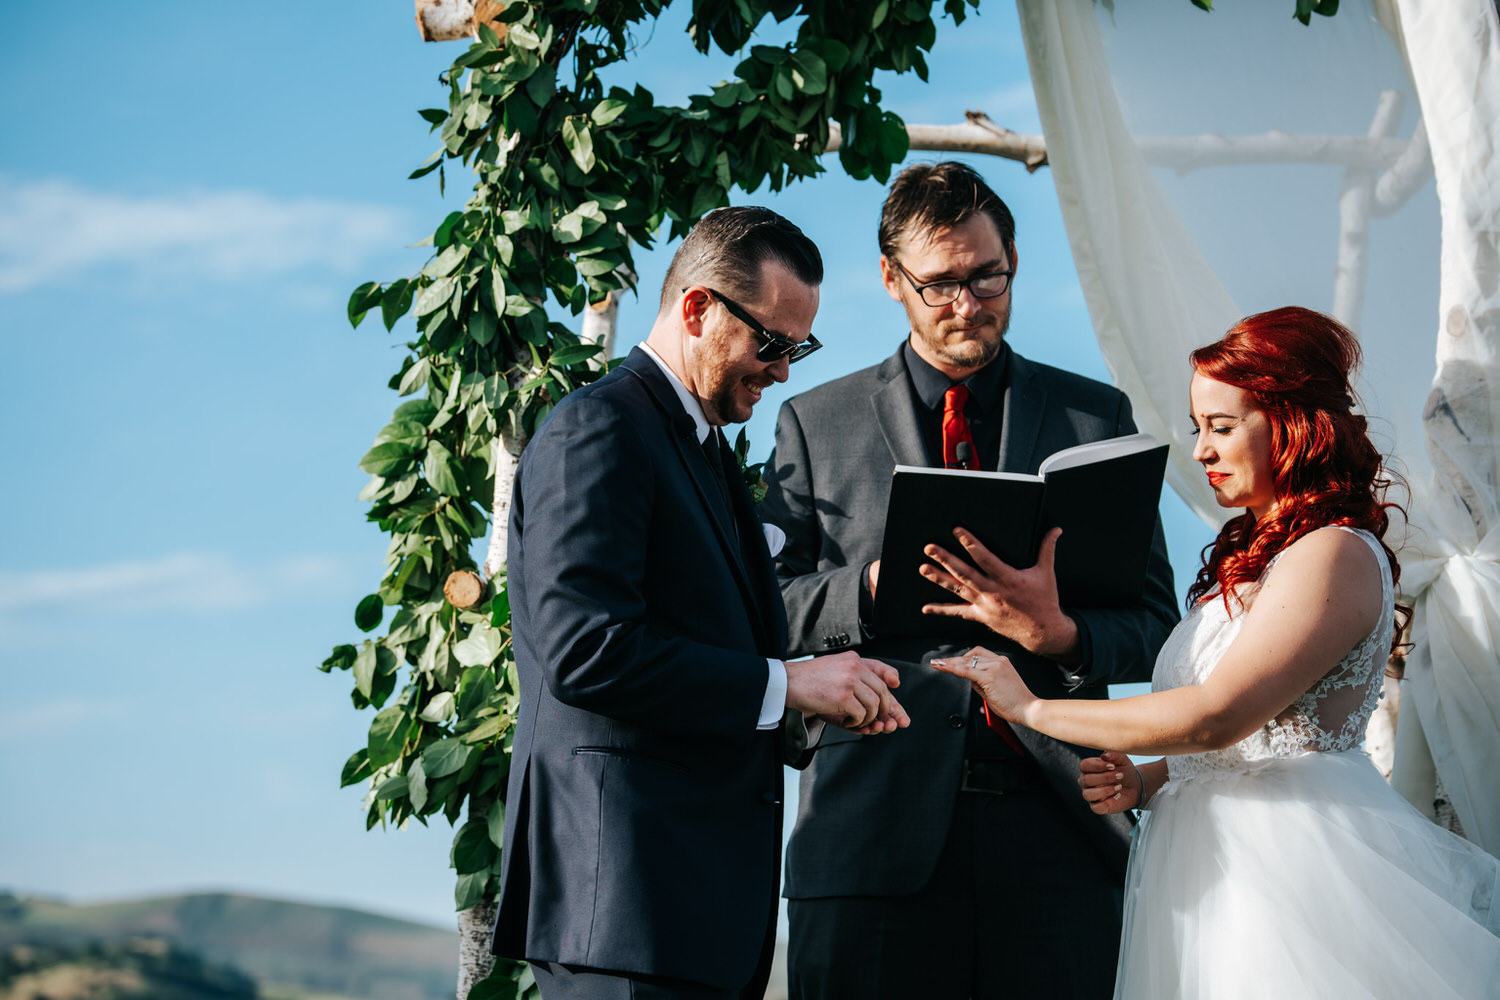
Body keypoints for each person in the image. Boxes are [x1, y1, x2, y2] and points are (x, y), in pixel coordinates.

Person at [937, 306, 1500, 998]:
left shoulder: (1333, 554)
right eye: (1197, 427)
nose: (1201, 450)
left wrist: (1030, 708)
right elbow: (1247, 738)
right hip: (1208, 863)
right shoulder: (1255, 560)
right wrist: (1150, 780)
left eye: (1222, 427)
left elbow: (1217, 717)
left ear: (1294, 424)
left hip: (1291, 870)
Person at [759, 162, 1178, 1000]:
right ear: (891, 279)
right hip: (869, 837)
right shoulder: (814, 421)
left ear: (1014, 258)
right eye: (940, 284)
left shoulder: (1096, 418)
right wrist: (868, 589)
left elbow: (1157, 624)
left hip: (1060, 841)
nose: (967, 304)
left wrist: (1060, 635)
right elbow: (762, 613)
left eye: (988, 276)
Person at [490, 206, 910, 1000]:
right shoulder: (599, 430)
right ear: (696, 309)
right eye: (773, 343)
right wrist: (789, 684)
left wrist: (813, 699)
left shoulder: (701, 450)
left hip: (690, 920)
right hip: (623, 911)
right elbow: (586, 650)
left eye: (800, 348)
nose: (784, 372)